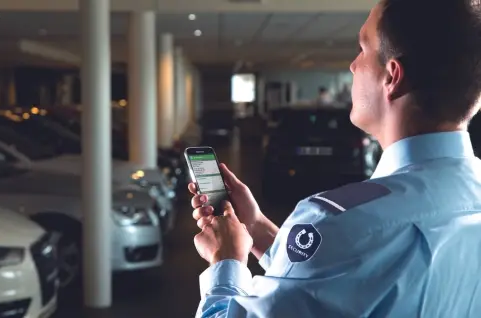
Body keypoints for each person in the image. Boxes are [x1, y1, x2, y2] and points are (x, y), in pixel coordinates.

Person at [189, 0, 481, 316]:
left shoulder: (337, 224)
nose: (353, 66)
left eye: (362, 49)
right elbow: (339, 278)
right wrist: (256, 228)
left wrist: (226, 261)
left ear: (392, 77)